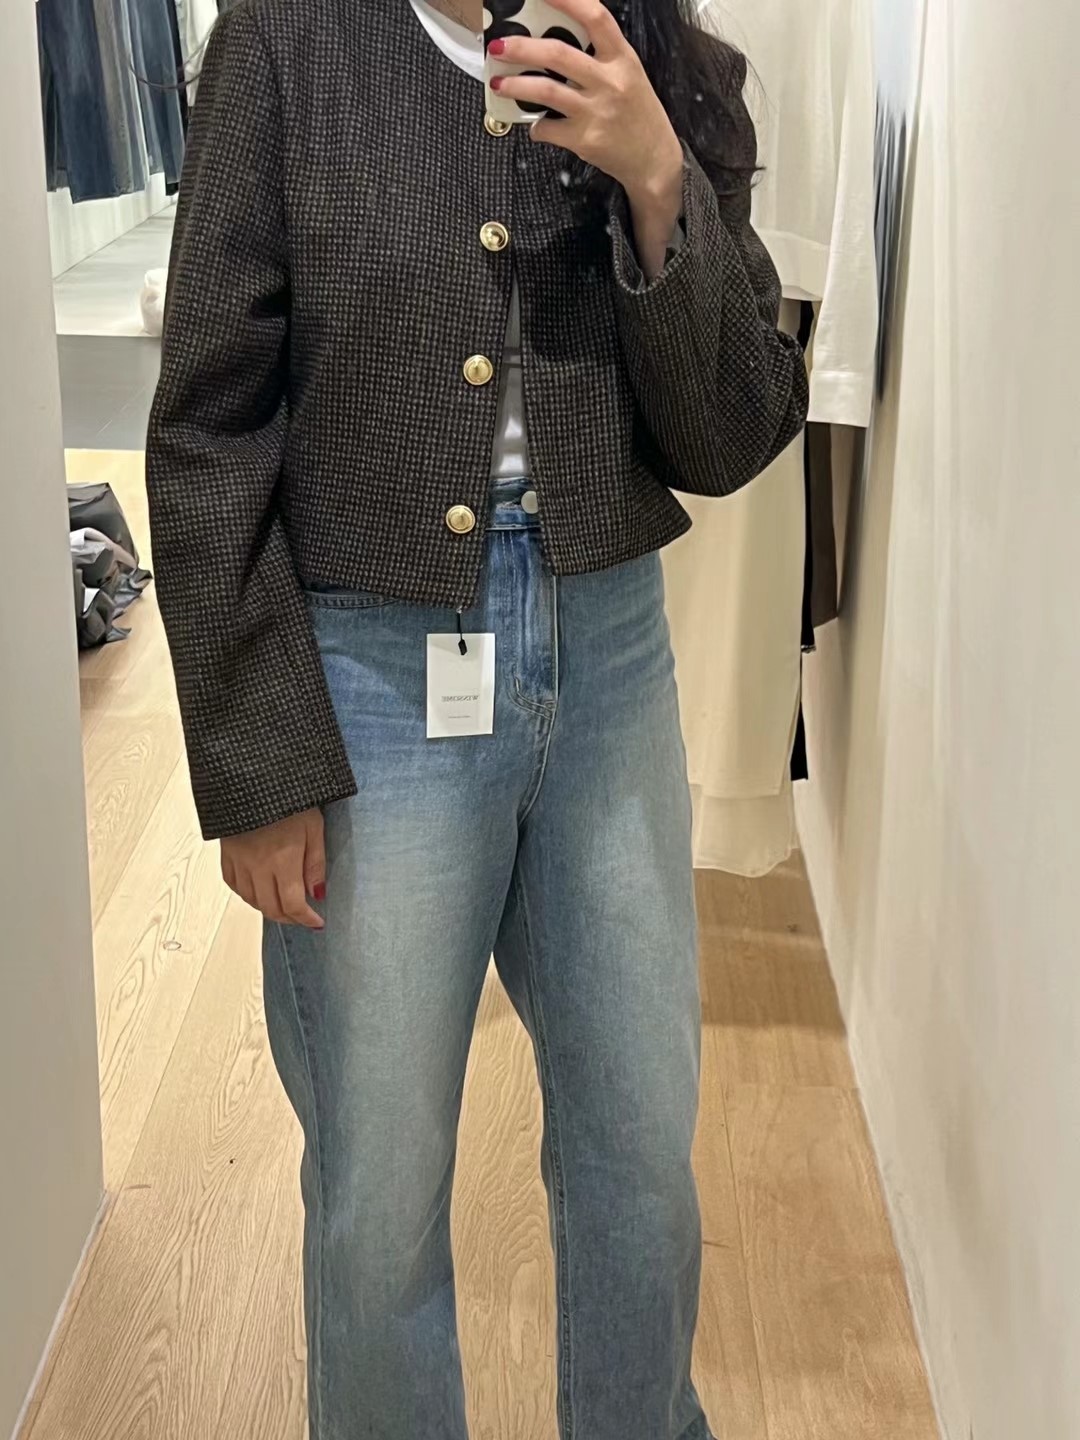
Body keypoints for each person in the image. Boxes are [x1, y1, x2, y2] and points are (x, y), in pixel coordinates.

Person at [146, 0, 807, 1434]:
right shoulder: (288, 44)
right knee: (381, 1183)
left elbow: (731, 435)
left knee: (642, 1153)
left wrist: (656, 182)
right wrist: (258, 758)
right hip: (370, 665)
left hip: (608, 649)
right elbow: (207, 421)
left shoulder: (649, 56)